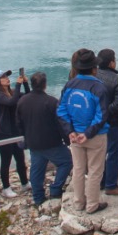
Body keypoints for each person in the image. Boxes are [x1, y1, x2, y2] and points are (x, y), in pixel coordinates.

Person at [57, 51, 111, 214]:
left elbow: (61, 110)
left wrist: (70, 131)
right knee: (95, 170)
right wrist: (88, 133)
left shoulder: (70, 85)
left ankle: (79, 202)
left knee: (79, 169)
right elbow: (101, 115)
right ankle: (92, 204)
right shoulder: (98, 87)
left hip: (74, 136)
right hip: (95, 135)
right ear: (94, 68)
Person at [16, 72, 72, 206]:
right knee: (66, 161)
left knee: (36, 170)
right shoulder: (52, 102)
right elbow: (60, 123)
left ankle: (38, 197)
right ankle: (55, 188)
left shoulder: (22, 101)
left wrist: (24, 139)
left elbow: (18, 123)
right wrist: (67, 139)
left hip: (33, 142)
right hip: (52, 142)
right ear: (45, 85)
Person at [95, 49, 118, 197]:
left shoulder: (93, 76)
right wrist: (107, 112)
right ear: (111, 63)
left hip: (97, 122)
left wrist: (99, 113)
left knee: (100, 152)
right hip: (114, 123)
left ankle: (101, 181)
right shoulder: (117, 80)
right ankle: (111, 185)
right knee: (114, 153)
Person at [0, 69, 30, 198]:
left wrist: (25, 83)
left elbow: (28, 97)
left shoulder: (13, 93)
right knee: (6, 161)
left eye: (7, 76)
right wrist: (18, 85)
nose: (7, 79)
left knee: (20, 159)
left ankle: (25, 183)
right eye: (3, 77)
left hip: (15, 132)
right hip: (4, 133)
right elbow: (11, 102)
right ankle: (6, 187)